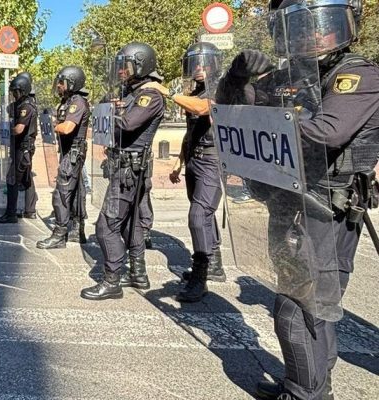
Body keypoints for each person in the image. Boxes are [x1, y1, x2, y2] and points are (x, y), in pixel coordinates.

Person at [215, 1, 379, 399]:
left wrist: (273, 119)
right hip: (288, 203)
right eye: (298, 26)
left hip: (326, 208)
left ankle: (305, 393)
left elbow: (327, 132)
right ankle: (309, 387)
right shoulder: (287, 75)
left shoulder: (356, 74)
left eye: (314, 24)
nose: (309, 34)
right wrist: (236, 79)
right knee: (313, 312)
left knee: (297, 310)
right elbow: (232, 110)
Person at [81, 42, 165, 301]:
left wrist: (106, 113)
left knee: (106, 225)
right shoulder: (133, 93)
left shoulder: (149, 95)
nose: (121, 71)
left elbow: (128, 124)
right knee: (132, 224)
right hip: (127, 167)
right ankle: (138, 274)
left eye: (125, 66)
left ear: (141, 64)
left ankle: (111, 280)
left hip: (130, 170)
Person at [147, 42, 226, 303]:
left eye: (204, 63)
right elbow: (191, 131)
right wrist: (179, 161)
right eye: (194, 64)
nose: (199, 68)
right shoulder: (197, 90)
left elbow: (202, 109)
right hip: (194, 159)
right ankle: (214, 263)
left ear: (215, 64)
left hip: (212, 161)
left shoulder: (222, 88)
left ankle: (201, 277)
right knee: (203, 213)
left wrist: (166, 92)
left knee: (198, 215)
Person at [37, 66, 91, 248]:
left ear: (72, 82)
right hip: (69, 152)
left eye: (62, 82)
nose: (59, 86)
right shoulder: (68, 101)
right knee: (76, 192)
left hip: (73, 153)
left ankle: (60, 233)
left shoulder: (77, 102)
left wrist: (54, 125)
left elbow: (67, 127)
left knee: (62, 193)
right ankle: (77, 230)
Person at [0, 73, 38, 224]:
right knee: (26, 179)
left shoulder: (27, 106)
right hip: (21, 148)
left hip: (23, 148)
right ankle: (30, 210)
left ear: (23, 90)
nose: (14, 94)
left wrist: (6, 130)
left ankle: (11, 213)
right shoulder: (20, 104)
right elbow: (8, 109)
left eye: (16, 91)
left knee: (11, 179)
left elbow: (19, 129)